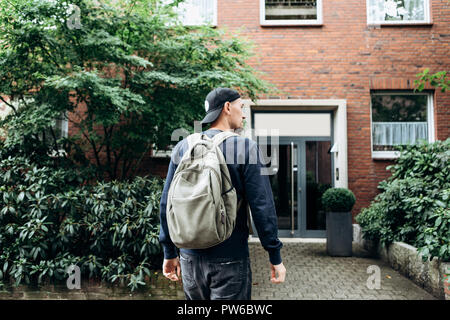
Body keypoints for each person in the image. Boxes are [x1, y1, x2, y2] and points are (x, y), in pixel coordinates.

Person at [159, 87, 286, 300]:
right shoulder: (246, 148)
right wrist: (275, 255)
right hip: (230, 258)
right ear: (227, 107)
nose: (243, 114)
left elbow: (167, 204)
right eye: (241, 107)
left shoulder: (183, 147)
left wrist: (169, 252)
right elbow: (262, 206)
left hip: (189, 258)